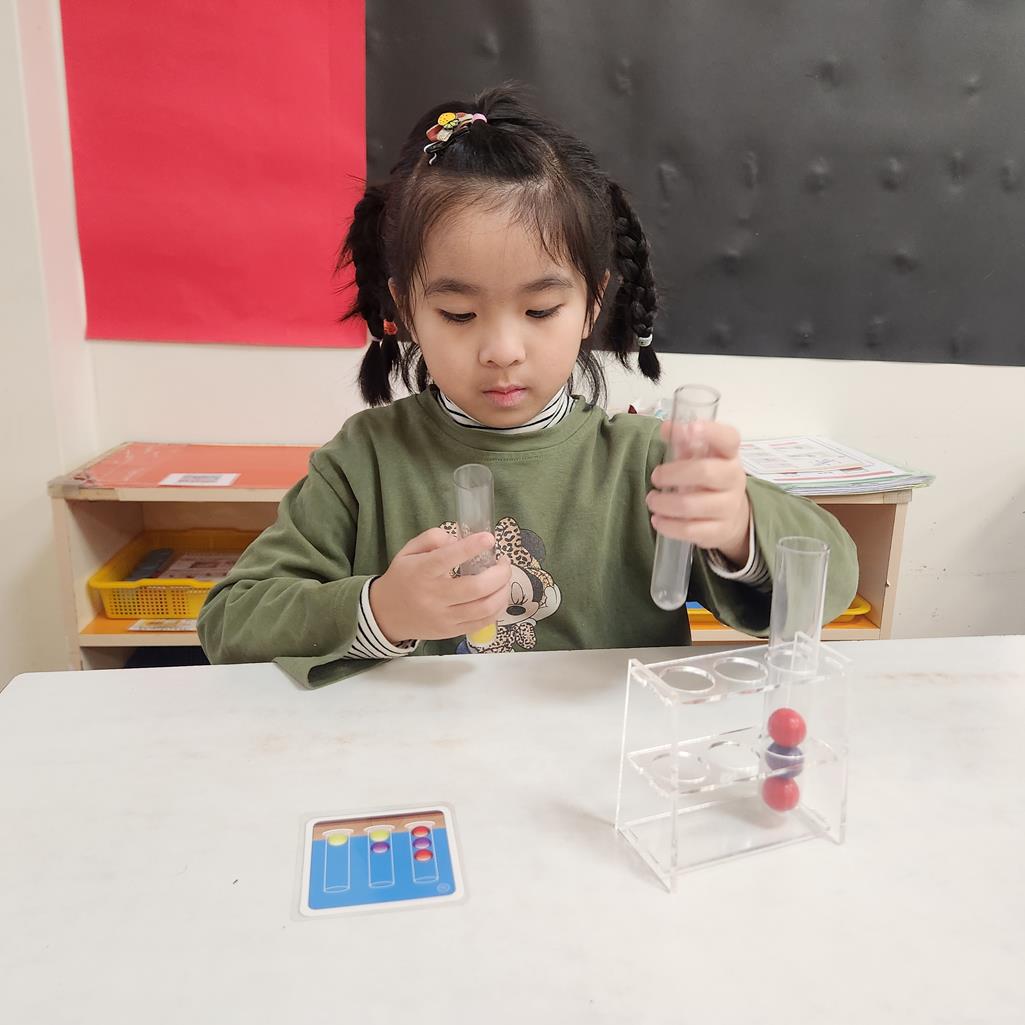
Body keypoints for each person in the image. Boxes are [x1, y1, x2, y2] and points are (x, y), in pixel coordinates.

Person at [198, 85, 857, 688]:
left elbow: (831, 581)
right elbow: (231, 623)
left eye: (540, 310)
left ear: (591, 305)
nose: (502, 350)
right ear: (407, 310)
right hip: (420, 757)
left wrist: (738, 528)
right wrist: (382, 609)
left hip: (599, 764)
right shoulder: (364, 460)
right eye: (459, 314)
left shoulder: (646, 461)